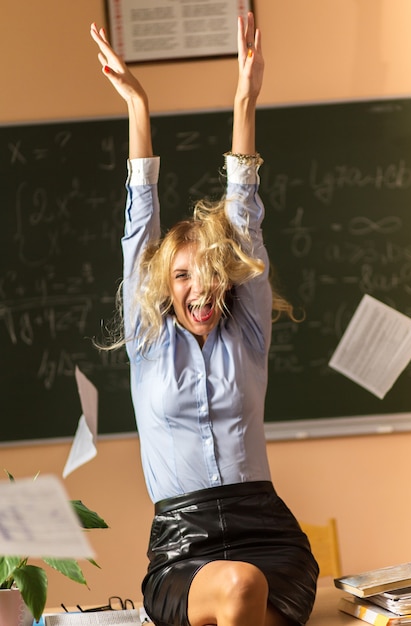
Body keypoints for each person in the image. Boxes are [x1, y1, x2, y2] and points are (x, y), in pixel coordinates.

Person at [90, 13, 318, 626]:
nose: (198, 286)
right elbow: (140, 226)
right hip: (183, 549)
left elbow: (243, 213)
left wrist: (246, 97)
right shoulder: (148, 340)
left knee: (250, 588)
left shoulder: (247, 333)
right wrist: (138, 106)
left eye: (210, 273)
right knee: (241, 591)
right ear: (165, 284)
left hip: (268, 532)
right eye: (183, 275)